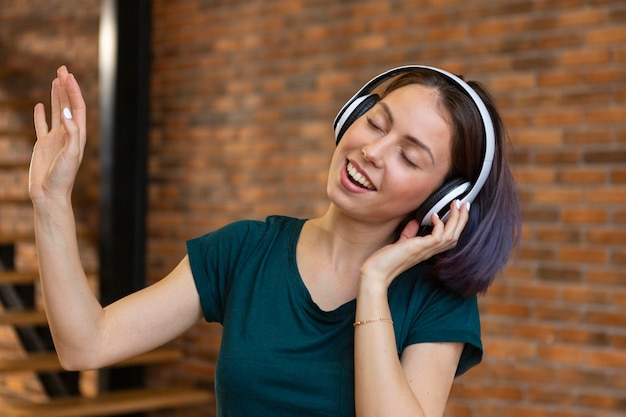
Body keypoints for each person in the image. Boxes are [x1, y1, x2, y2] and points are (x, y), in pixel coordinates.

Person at [30, 64, 520, 417]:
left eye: (409, 158)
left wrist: (374, 283)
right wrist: (51, 202)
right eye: (375, 122)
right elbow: (85, 345)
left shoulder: (438, 302)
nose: (371, 150)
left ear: (442, 198)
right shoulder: (244, 251)